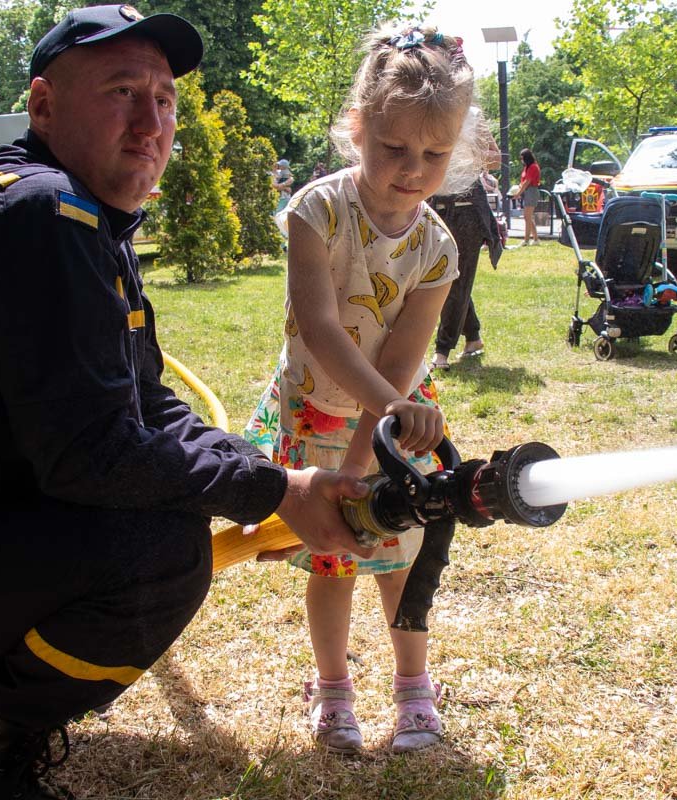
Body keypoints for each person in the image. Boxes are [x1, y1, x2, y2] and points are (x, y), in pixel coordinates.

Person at [0, 7, 372, 799]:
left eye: (163, 100)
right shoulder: (39, 214)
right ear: (44, 107)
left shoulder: (71, 217)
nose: (149, 121)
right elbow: (93, 450)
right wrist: (273, 492)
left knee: (152, 520)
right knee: (161, 550)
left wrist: (277, 482)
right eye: (121, 91)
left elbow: (146, 407)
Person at [242, 22, 484, 755]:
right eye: (394, 148)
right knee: (335, 561)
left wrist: (374, 445)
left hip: (395, 420)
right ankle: (334, 688)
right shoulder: (317, 211)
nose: (412, 169)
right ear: (358, 128)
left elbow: (408, 356)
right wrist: (344, 465)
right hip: (321, 408)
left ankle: (414, 690)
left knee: (401, 556)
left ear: (458, 151)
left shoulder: (438, 247)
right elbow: (320, 328)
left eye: (435, 154)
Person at [430, 112, 502, 370]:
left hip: (467, 208)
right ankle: (473, 337)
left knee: (455, 279)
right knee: (443, 277)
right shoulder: (428, 107)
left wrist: (466, 154)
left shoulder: (472, 115)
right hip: (434, 205)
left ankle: (442, 350)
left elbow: (496, 159)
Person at [515, 147, 541, 245]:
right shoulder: (527, 167)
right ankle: (535, 239)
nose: (522, 161)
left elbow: (527, 182)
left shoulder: (533, 167)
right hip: (528, 191)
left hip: (532, 191)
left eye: (523, 158)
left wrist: (518, 193)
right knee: (528, 217)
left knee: (527, 216)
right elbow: (523, 181)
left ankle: (526, 240)